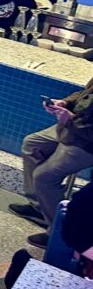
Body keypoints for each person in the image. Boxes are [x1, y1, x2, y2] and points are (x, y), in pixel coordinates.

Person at [12, 79, 93, 248]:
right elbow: (83, 94)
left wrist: (69, 119)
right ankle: (40, 207)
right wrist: (65, 103)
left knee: (44, 177)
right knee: (31, 144)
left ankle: (59, 232)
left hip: (87, 143)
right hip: (71, 129)